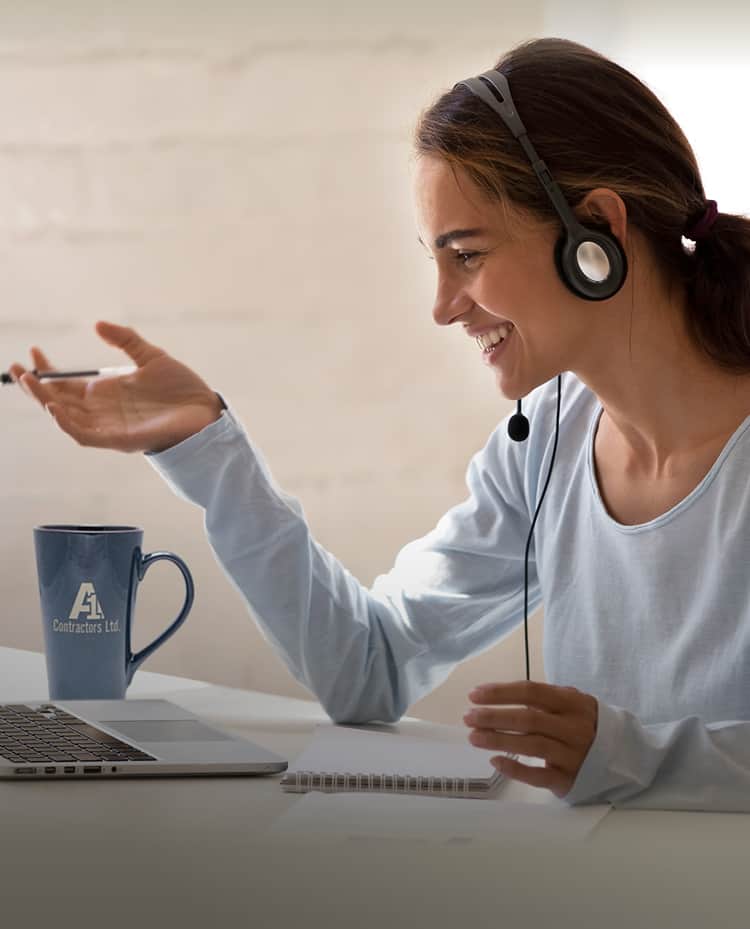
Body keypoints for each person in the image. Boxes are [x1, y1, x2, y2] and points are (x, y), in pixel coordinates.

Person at [9, 37, 750, 810]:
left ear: (595, 231)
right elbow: (369, 667)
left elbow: (631, 759)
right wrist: (205, 447)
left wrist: (629, 753)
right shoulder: (547, 445)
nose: (442, 306)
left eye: (465, 255)